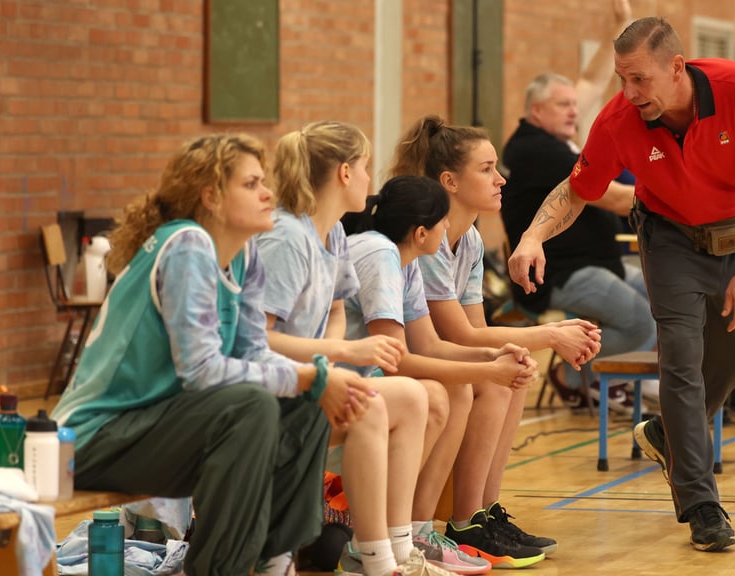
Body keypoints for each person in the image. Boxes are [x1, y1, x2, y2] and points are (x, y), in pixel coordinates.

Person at [508, 17, 735, 551]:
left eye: (640, 79)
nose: (629, 93)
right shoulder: (620, 119)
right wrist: (531, 236)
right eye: (622, 79)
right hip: (670, 241)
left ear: (677, 67)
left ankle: (669, 435)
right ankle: (702, 505)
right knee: (680, 360)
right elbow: (577, 190)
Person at [50, 134, 375, 576]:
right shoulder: (187, 244)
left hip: (153, 428)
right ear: (212, 196)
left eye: (265, 181)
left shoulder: (244, 257)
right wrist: (312, 377)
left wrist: (317, 381)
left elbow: (255, 354)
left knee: (305, 403)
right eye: (251, 184)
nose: (268, 193)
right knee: (254, 404)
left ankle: (272, 560)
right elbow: (202, 371)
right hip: (88, 441)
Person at [390, 115, 603, 558]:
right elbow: (455, 335)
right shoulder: (428, 235)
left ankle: (484, 511)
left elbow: (477, 332)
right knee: (490, 379)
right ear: (449, 181)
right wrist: (547, 336)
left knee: (513, 374)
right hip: (403, 357)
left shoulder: (466, 237)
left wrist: (543, 337)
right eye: (486, 169)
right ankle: (465, 520)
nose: (500, 179)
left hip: (432, 351)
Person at [256, 121, 462, 576]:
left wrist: (332, 353)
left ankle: (395, 548)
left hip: (309, 380)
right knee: (372, 403)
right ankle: (375, 560)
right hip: (266, 388)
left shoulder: (330, 235)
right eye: (366, 167)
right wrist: (345, 356)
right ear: (345, 173)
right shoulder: (287, 238)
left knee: (410, 397)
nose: (372, 180)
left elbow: (333, 310)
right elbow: (257, 337)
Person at [341, 175, 543, 570]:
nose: (448, 227)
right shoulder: (380, 254)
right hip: (342, 380)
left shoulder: (406, 259)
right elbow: (394, 360)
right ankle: (394, 535)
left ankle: (417, 531)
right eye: (442, 221)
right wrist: (490, 369)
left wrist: (492, 354)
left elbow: (430, 346)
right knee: (442, 392)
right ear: (421, 232)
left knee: (459, 386)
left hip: (365, 377)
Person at [500, 0, 656, 406]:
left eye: (573, 105)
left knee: (662, 295)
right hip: (563, 273)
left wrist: (621, 26)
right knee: (640, 322)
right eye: (563, 106)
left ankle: (636, 377)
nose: (574, 110)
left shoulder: (556, 135)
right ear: (537, 111)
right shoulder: (538, 151)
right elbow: (615, 198)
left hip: (597, 260)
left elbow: (590, 79)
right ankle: (574, 373)